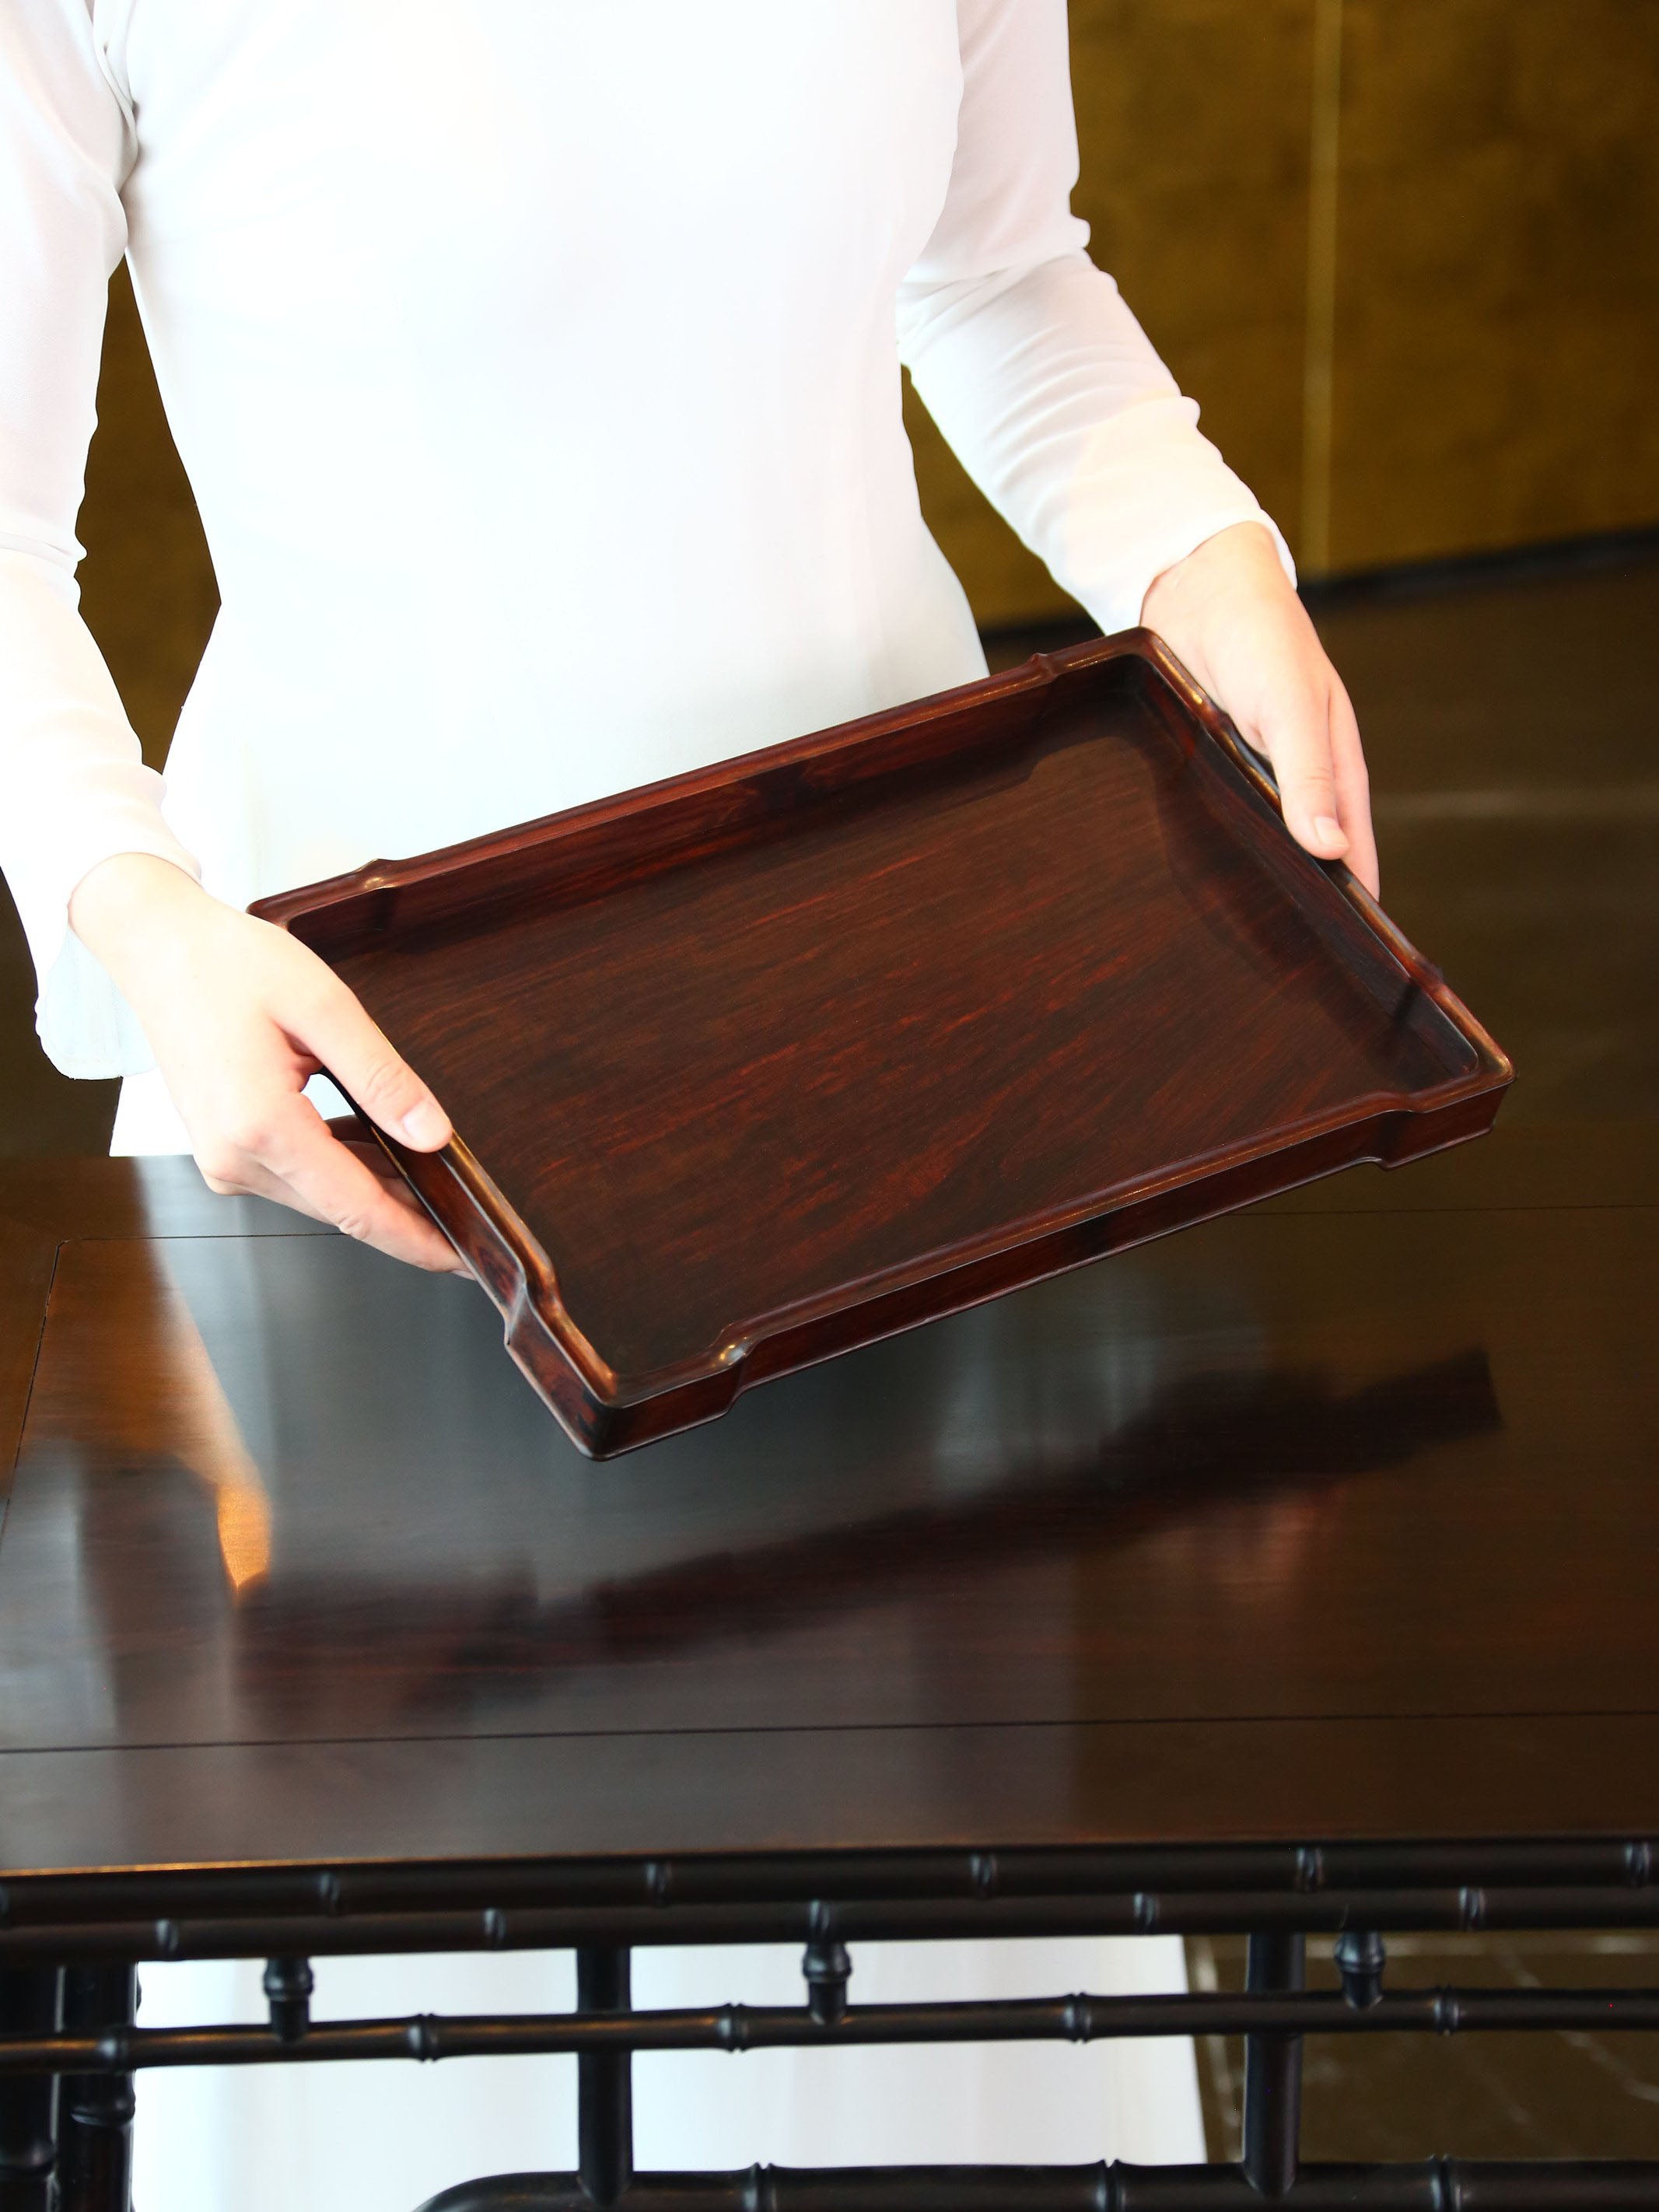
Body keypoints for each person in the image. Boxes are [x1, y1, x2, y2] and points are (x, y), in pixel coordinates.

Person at [1, 1, 1377, 2203]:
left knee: (926, 1999)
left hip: (898, 1088)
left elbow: (1005, 270)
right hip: (374, 1129)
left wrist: (1206, 557)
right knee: (436, 2017)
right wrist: (144, 921)